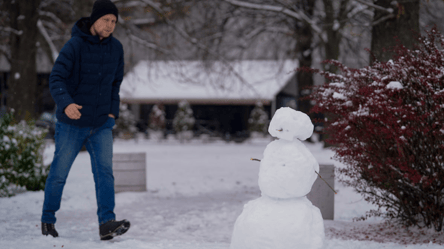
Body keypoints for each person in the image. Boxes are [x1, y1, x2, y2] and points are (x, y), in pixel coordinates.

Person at [41, 0, 130, 240]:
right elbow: (56, 78)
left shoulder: (116, 49)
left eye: (114, 21)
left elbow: (115, 85)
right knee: (59, 173)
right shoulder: (75, 45)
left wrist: (112, 114)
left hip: (101, 124)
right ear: (94, 20)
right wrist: (66, 103)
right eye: (106, 20)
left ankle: (107, 224)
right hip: (71, 124)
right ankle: (48, 220)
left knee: (105, 173)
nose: (110, 25)